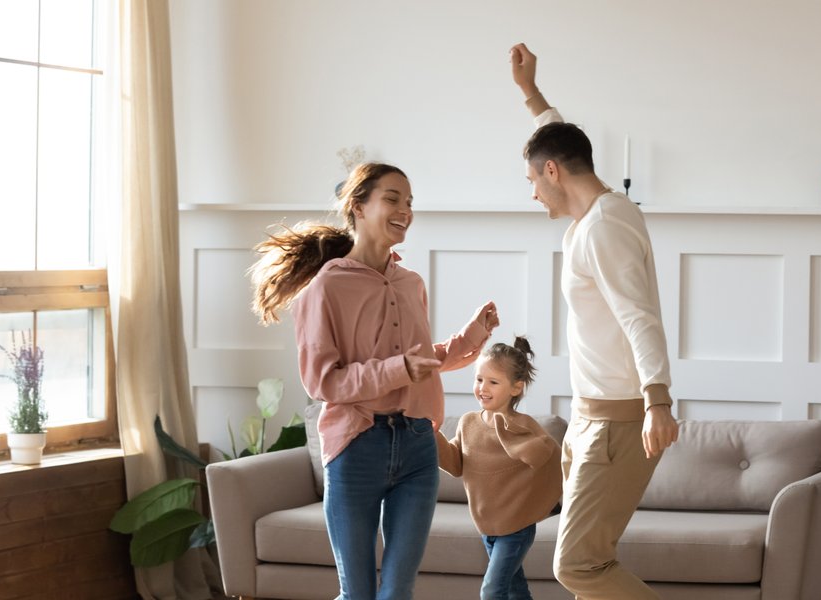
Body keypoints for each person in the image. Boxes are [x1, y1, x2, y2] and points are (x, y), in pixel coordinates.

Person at [249, 162, 500, 600]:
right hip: (356, 446)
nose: (405, 210)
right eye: (392, 199)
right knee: (358, 594)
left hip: (418, 445)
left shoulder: (411, 283)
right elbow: (322, 382)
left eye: (410, 202)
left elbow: (420, 362)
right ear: (358, 206)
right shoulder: (325, 287)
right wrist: (398, 369)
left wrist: (472, 336)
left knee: (397, 592)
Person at [508, 43, 680, 600]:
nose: (533, 192)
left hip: (615, 422)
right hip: (589, 418)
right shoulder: (593, 215)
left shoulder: (605, 225)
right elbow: (555, 138)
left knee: (579, 566)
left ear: (552, 172)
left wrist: (658, 401)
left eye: (534, 180)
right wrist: (532, 94)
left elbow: (638, 315)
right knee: (590, 570)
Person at [435, 336, 562, 600]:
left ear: (516, 388)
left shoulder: (523, 425)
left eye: (493, 382)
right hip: (487, 525)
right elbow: (455, 463)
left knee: (491, 591)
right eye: (479, 379)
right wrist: (431, 435)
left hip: (517, 527)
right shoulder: (468, 422)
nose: (483, 387)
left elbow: (544, 455)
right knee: (515, 589)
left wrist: (508, 435)